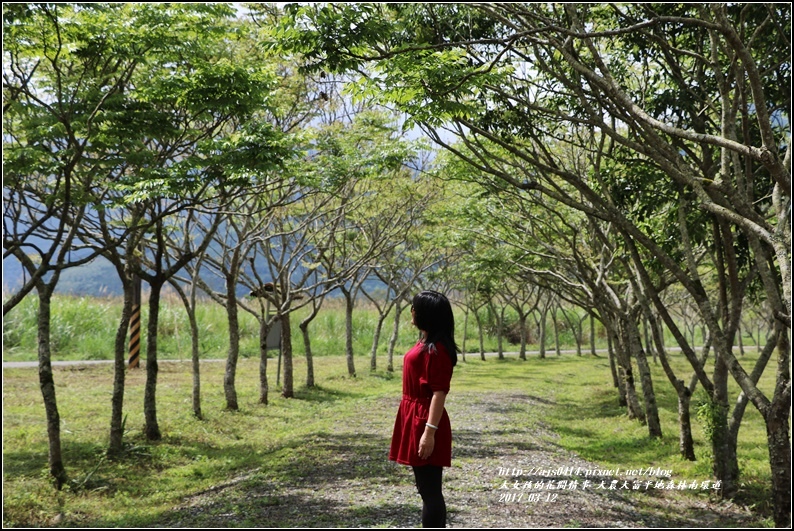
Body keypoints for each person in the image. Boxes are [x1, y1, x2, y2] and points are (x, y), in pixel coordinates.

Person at [389, 290, 458, 528]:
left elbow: (439, 392)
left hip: (424, 419)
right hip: (414, 415)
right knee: (425, 489)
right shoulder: (426, 342)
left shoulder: (436, 350)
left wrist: (429, 433)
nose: (412, 312)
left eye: (415, 308)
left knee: (430, 493)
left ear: (426, 314)